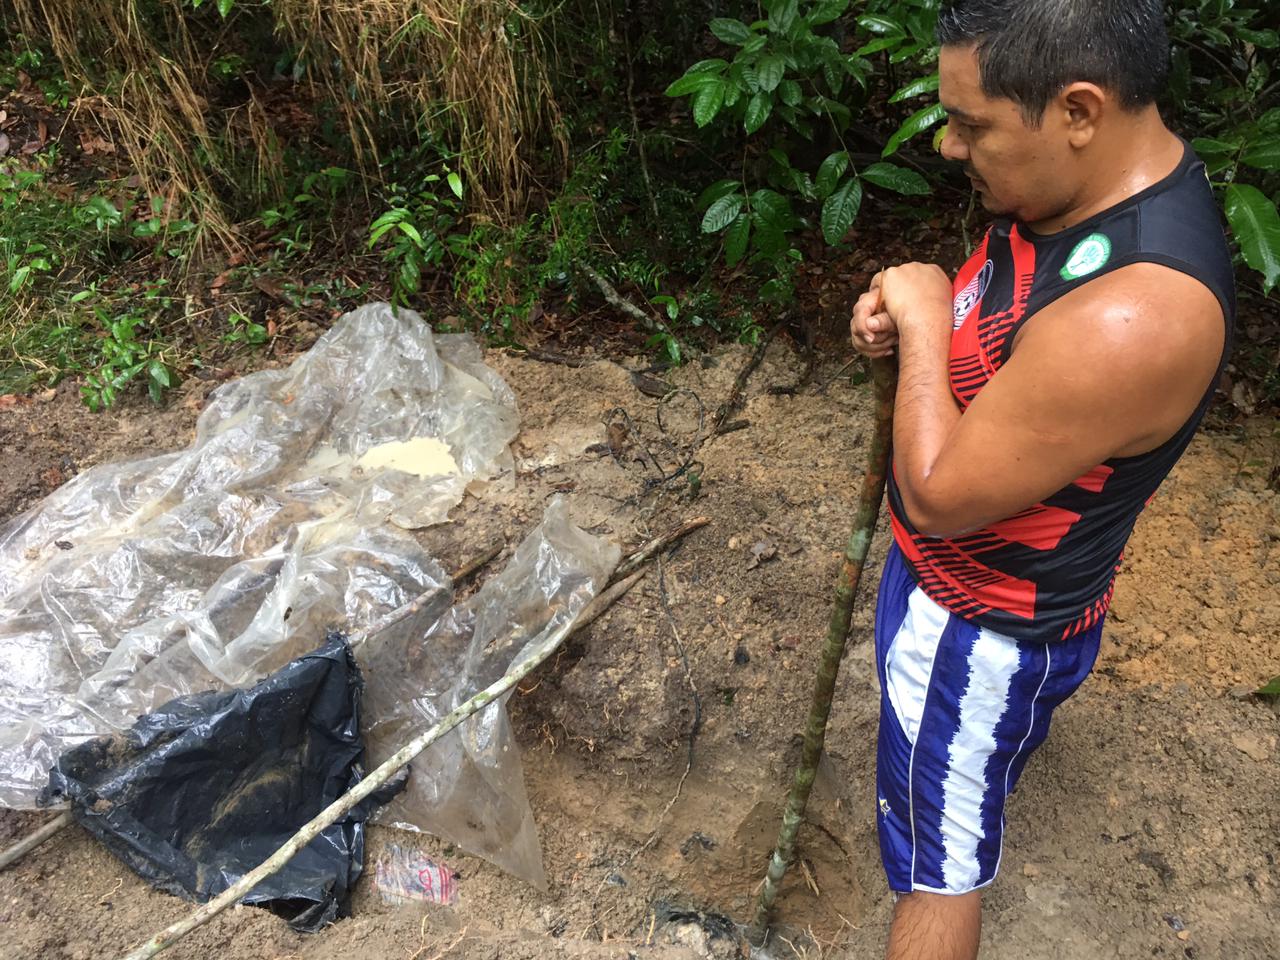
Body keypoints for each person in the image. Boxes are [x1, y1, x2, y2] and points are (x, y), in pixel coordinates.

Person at [848, 2, 1235, 958]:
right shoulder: (1073, 193)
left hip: (977, 629)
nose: (948, 146)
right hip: (977, 587)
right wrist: (920, 322)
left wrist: (924, 315)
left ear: (1078, 110)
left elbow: (936, 496)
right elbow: (1005, 332)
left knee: (938, 869)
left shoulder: (1133, 315)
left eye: (970, 124)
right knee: (962, 785)